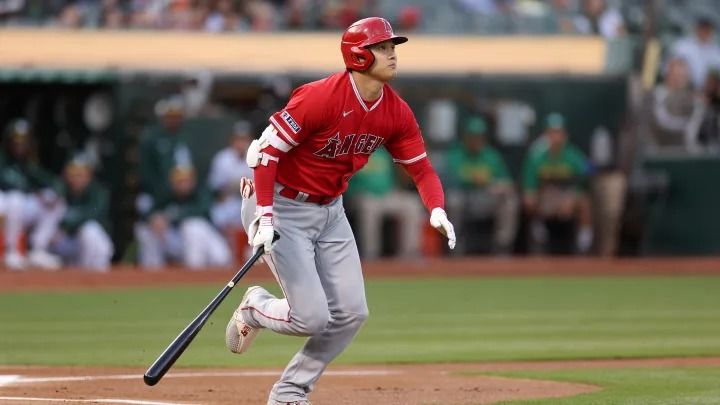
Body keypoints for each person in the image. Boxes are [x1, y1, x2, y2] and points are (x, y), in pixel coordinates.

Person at [224, 17, 456, 405]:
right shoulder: (319, 97)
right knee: (311, 318)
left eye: (392, 47)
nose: (392, 54)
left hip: (331, 210)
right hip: (281, 204)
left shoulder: (396, 111)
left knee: (351, 313)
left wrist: (436, 208)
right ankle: (254, 307)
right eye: (382, 47)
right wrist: (264, 215)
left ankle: (289, 392)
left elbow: (421, 169)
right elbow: (264, 154)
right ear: (359, 56)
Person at [134, 95, 194, 268]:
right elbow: (145, 176)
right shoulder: (152, 138)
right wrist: (153, 213)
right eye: (169, 115)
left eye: (176, 115)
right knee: (148, 234)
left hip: (177, 205)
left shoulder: (183, 138)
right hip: (155, 198)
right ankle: (152, 273)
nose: (173, 119)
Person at [445, 116, 518, 255]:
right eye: (472, 136)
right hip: (464, 197)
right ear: (466, 137)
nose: (475, 140)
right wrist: (473, 180)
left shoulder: (492, 156)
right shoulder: (455, 155)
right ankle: (454, 243)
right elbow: (449, 181)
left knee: (509, 201)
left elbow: (507, 182)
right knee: (453, 200)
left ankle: (502, 245)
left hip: (487, 197)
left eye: (478, 136)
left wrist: (496, 185)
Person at [522, 113, 593, 254]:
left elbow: (585, 182)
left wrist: (571, 198)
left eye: (558, 132)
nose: (555, 137)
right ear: (546, 135)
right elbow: (530, 185)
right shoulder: (536, 156)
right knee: (529, 199)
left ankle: (584, 240)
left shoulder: (574, 155)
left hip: (568, 197)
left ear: (564, 134)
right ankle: (538, 226)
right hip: (546, 198)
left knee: (584, 201)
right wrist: (533, 197)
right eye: (552, 132)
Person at [138, 164, 231, 269]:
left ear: (193, 181)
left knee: (192, 227)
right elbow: (147, 214)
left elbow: (200, 211)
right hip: (178, 241)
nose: (183, 185)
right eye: (180, 181)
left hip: (206, 241)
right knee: (145, 229)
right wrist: (154, 219)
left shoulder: (200, 194)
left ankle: (194, 271)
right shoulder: (167, 196)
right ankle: (152, 270)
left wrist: (168, 217)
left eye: (186, 181)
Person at [0, 119, 64, 270]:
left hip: (19, 206)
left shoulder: (28, 162)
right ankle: (11, 252)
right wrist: (34, 191)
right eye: (16, 140)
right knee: (16, 198)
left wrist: (50, 193)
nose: (19, 144)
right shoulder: (2, 158)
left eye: (23, 140)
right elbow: (10, 183)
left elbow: (53, 182)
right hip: (4, 203)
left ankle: (37, 249)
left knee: (55, 200)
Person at [345, 147, 424, 259]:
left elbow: (392, 179)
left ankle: (410, 253)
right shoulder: (351, 151)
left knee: (412, 204)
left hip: (386, 195)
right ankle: (371, 254)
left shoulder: (383, 152)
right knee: (369, 207)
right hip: (363, 196)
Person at [48, 156, 114, 271]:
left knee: (90, 230)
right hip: (67, 244)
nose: (75, 179)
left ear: (88, 175)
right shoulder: (62, 189)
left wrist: (66, 225)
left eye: (80, 175)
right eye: (72, 175)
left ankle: (87, 274)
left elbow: (93, 214)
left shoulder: (98, 192)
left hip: (94, 247)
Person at [207, 120, 253, 250]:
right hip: (229, 201)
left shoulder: (257, 156)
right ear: (232, 140)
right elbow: (215, 188)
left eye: (244, 139)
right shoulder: (222, 158)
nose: (241, 143)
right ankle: (225, 248)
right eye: (238, 139)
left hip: (250, 202)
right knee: (219, 214)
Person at [670, 17, 720, 89]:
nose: (704, 32)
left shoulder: (716, 51)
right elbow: (670, 68)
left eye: (707, 30)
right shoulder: (682, 45)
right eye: (702, 29)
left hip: (706, 90)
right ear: (697, 29)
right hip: (682, 87)